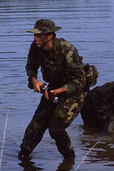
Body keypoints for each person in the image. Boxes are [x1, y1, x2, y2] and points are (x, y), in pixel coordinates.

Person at [18, 19, 86, 159]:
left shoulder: (67, 50)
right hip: (53, 89)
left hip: (73, 93)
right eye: (34, 35)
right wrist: (34, 80)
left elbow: (80, 82)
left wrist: (59, 91)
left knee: (55, 128)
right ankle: (23, 156)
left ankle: (69, 160)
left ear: (49, 36)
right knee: (36, 125)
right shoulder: (35, 47)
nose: (35, 38)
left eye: (39, 35)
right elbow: (31, 67)